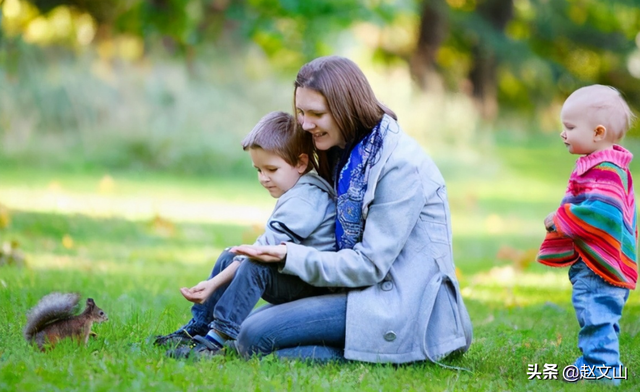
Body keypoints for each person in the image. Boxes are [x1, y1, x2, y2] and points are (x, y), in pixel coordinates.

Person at [230, 55, 472, 364]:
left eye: (316, 113)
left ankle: (373, 353)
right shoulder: (347, 151)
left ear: (346, 107)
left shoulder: (399, 165)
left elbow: (370, 265)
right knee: (247, 332)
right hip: (354, 291)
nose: (305, 124)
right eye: (301, 112)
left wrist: (290, 255)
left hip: (397, 302)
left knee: (254, 337)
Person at [154, 111, 337, 359]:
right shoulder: (297, 191)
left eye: (271, 169)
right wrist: (215, 280)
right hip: (294, 274)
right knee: (231, 255)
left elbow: (262, 253)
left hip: (312, 284)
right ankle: (197, 328)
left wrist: (213, 283)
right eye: (258, 170)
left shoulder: (306, 198)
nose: (263, 178)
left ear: (301, 163)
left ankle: (214, 342)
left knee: (254, 265)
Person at [537, 84, 637, 384]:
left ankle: (603, 372)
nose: (563, 133)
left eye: (569, 127)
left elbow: (602, 213)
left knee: (596, 316)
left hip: (600, 269)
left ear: (598, 132)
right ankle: (595, 361)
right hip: (594, 265)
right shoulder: (602, 166)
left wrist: (561, 218)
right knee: (596, 314)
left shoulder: (606, 170)